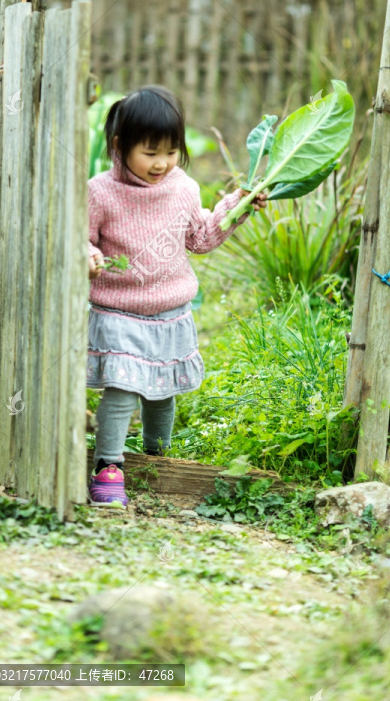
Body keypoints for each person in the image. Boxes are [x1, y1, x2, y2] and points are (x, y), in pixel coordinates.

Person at [87, 85, 267, 507]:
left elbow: (200, 237)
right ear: (120, 146)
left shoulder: (182, 187)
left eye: (171, 152)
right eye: (150, 153)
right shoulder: (100, 191)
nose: (162, 163)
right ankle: (108, 467)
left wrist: (235, 207)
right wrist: (89, 255)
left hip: (170, 310)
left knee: (161, 389)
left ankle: (156, 457)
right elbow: (84, 238)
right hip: (118, 309)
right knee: (121, 388)